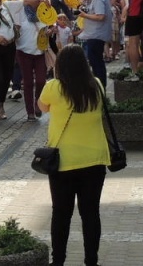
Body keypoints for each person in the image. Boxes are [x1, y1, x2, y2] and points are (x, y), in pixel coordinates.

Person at [37, 44, 111, 266]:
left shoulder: (53, 87)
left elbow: (42, 107)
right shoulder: (96, 85)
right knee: (90, 214)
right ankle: (91, 261)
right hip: (95, 159)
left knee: (61, 214)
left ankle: (58, 261)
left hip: (63, 161)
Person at [76, 0, 113, 88]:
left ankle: (100, 87)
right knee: (97, 63)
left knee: (96, 63)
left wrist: (84, 16)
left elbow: (100, 16)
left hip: (96, 35)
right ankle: (100, 87)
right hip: (96, 34)